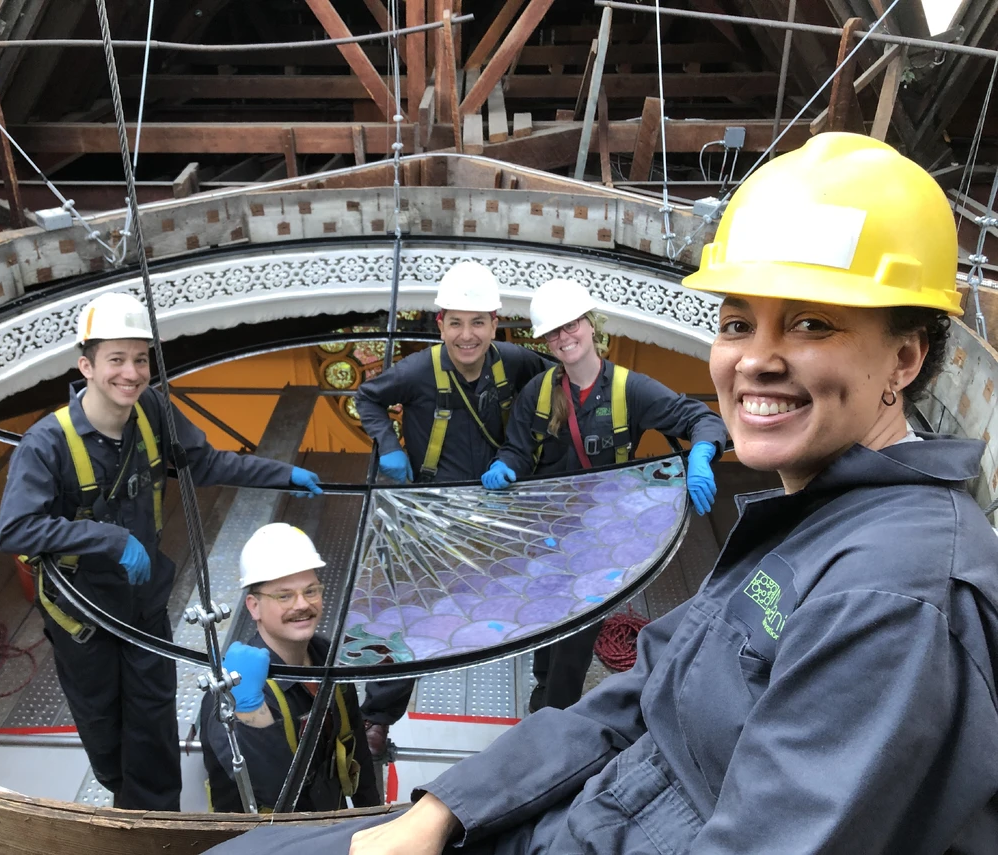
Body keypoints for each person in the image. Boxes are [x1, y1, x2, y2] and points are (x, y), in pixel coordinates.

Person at [202, 133, 998, 854]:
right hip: (568, 710)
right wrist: (444, 807)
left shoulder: (894, 601)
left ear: (905, 357)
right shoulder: (807, 524)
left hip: (599, 638)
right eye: (735, 322)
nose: (755, 360)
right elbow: (647, 687)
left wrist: (698, 448)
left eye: (812, 325)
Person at [0, 292, 323, 812]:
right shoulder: (47, 444)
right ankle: (124, 795)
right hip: (82, 612)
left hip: (144, 603)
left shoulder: (151, 411)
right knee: (103, 721)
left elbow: (207, 464)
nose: (131, 372)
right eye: (116, 360)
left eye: (140, 359)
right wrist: (109, 539)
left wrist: (283, 473)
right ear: (87, 366)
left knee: (153, 710)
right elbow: (14, 529)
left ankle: (158, 816)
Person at [483, 277, 728, 711]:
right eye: (554, 332)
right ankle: (543, 689)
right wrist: (506, 466)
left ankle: (551, 717)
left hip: (601, 540)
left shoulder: (628, 390)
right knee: (546, 619)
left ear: (590, 324)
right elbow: (519, 449)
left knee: (575, 642)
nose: (564, 337)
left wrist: (703, 455)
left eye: (571, 324)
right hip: (550, 532)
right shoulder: (538, 393)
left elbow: (699, 420)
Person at [352, 261, 549, 753]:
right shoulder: (418, 371)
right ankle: (377, 717)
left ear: (495, 324)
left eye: (478, 322)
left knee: (539, 594)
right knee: (410, 611)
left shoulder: (516, 363)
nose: (468, 335)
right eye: (456, 322)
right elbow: (368, 399)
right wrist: (389, 447)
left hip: (499, 501)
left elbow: (559, 386)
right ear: (439, 323)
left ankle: (548, 711)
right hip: (432, 510)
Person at [200, 523, 380, 812]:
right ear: (254, 606)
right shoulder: (233, 689)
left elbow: (355, 747)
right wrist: (249, 711)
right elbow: (273, 791)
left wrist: (374, 820)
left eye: (311, 591)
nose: (302, 604)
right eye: (284, 596)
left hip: (324, 829)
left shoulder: (328, 662)